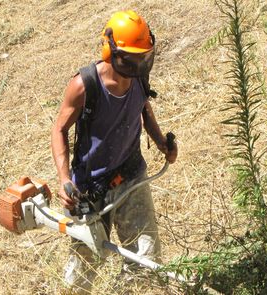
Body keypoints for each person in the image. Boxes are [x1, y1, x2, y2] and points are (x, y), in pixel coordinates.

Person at [51, 10, 178, 293]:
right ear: (110, 50)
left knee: (146, 261)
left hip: (131, 175)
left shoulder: (139, 78)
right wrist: (63, 179)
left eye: (142, 58)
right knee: (81, 274)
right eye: (130, 60)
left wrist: (160, 142)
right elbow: (58, 130)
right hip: (90, 191)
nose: (137, 66)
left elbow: (143, 107)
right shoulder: (84, 86)